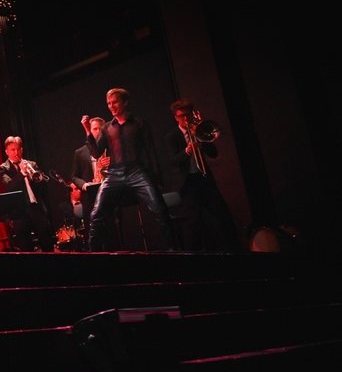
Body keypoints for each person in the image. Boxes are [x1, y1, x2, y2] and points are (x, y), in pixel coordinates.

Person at [81, 87, 178, 251]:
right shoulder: (106, 128)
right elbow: (96, 153)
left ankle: (173, 249)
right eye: (108, 103)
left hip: (137, 172)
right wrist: (87, 130)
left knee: (160, 209)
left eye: (115, 102)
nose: (111, 106)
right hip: (114, 174)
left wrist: (156, 179)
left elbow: (151, 152)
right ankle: (93, 255)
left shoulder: (139, 124)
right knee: (96, 214)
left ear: (125, 102)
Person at [165, 99, 242, 251]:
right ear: (175, 117)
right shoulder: (171, 136)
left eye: (188, 115)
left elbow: (213, 154)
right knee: (193, 224)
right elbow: (172, 161)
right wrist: (187, 151)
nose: (185, 119)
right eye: (181, 116)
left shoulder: (198, 130)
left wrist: (201, 138)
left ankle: (235, 250)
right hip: (187, 183)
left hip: (204, 179)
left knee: (223, 215)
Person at [0, 136, 56, 251]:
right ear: (6, 152)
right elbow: (9, 186)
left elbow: (43, 186)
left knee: (47, 242)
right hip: (19, 212)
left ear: (22, 150)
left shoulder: (31, 164)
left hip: (36, 208)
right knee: (26, 247)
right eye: (12, 150)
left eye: (18, 149)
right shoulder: (3, 168)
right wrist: (22, 173)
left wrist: (36, 177)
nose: (16, 152)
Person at [70, 116, 110, 224]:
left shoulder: (110, 148)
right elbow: (74, 176)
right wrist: (85, 185)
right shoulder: (80, 152)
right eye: (94, 129)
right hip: (90, 197)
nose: (98, 132)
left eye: (100, 129)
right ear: (89, 130)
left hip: (109, 193)